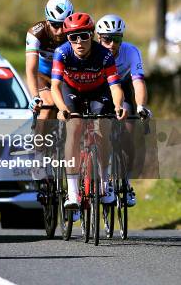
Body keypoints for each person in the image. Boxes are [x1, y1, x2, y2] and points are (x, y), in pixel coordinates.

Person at [50, 12, 127, 209]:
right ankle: (73, 192)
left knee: (102, 128)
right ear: (67, 38)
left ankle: (104, 183)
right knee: (74, 129)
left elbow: (115, 87)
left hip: (98, 92)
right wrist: (62, 108)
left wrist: (118, 106)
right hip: (71, 91)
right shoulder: (62, 53)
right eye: (72, 37)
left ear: (91, 35)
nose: (78, 41)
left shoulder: (104, 54)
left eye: (83, 35)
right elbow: (55, 87)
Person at [96, 14, 151, 206]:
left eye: (116, 39)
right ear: (98, 38)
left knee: (128, 133)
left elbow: (138, 82)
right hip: (99, 91)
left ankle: (125, 182)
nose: (111, 44)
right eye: (107, 39)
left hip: (124, 89)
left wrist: (141, 106)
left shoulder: (131, 52)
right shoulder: (92, 52)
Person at [25, 0, 74, 118]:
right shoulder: (36, 33)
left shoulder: (75, 33)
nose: (60, 31)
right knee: (48, 105)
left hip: (64, 76)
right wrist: (35, 97)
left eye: (63, 25)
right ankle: (40, 137)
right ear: (47, 21)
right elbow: (31, 70)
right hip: (42, 75)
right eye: (55, 25)